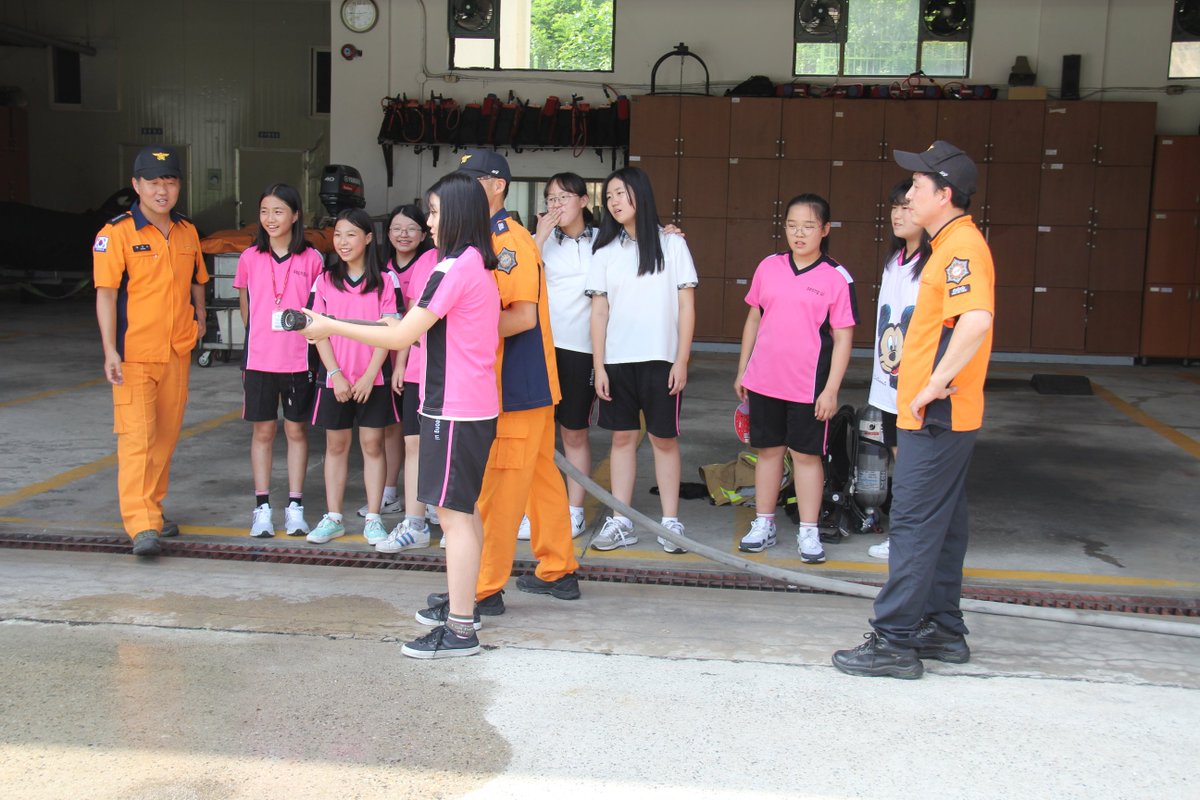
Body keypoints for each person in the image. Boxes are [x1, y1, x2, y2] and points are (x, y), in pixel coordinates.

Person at [297, 171, 501, 658]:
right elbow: (414, 327)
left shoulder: (452, 268)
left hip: (453, 407)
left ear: (455, 214)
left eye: (433, 212)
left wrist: (328, 323)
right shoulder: (473, 264)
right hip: (467, 404)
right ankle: (461, 606)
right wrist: (392, 324)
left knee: (452, 518)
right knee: (462, 514)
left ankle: (460, 628)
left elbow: (398, 338)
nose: (427, 223)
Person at [832, 140, 995, 680]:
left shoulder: (961, 246)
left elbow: (975, 320)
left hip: (939, 412)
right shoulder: (948, 243)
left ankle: (894, 639)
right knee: (944, 524)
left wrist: (930, 387)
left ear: (944, 195)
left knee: (914, 522)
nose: (910, 193)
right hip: (943, 411)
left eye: (918, 186)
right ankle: (943, 628)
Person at [428, 149, 581, 615]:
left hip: (514, 384)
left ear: (497, 185)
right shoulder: (485, 239)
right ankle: (558, 568)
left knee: (496, 492)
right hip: (525, 384)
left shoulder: (506, 241)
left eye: (473, 181)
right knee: (540, 481)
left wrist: (462, 324)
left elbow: (521, 316)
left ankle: (481, 589)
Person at [93, 146, 208, 557]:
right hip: (134, 354)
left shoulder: (187, 231)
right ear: (137, 185)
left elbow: (198, 278)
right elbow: (106, 297)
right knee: (136, 440)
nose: (163, 190)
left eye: (170, 181)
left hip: (176, 351)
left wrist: (201, 317)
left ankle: (152, 513)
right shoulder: (116, 233)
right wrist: (109, 350)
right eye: (154, 182)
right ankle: (141, 524)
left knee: (165, 438)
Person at [733, 193, 857, 564]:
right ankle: (764, 522)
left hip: (809, 385)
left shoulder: (836, 277)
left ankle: (808, 530)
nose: (798, 234)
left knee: (806, 456)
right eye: (792, 225)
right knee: (768, 452)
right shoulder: (768, 266)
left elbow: (844, 337)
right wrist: (744, 368)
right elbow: (754, 318)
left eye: (807, 226)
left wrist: (831, 389)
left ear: (825, 230)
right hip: (765, 380)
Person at [585, 166, 697, 554]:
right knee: (621, 439)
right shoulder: (604, 251)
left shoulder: (673, 245)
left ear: (640, 195)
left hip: (661, 359)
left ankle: (670, 522)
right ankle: (620, 520)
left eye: (621, 194)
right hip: (617, 362)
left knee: (663, 439)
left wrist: (681, 359)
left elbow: (686, 306)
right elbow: (599, 312)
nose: (613, 202)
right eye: (609, 197)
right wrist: (599, 366)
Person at [233, 183, 324, 539]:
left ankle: (296, 507)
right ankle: (262, 509)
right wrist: (258, 334)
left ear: (296, 215)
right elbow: (246, 306)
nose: (271, 219)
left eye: (279, 212)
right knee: (263, 431)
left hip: (298, 361)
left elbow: (319, 310)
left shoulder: (312, 259)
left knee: (296, 431)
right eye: (265, 212)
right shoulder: (249, 257)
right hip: (258, 360)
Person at [305, 208, 399, 547]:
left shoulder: (385, 281)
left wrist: (370, 374)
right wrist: (335, 374)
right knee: (336, 445)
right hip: (337, 380)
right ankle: (333, 517)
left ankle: (374, 517)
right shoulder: (325, 280)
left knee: (373, 446)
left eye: (351, 235)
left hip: (371, 379)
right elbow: (316, 331)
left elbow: (390, 329)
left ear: (368, 238)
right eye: (339, 234)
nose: (343, 242)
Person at [529, 172, 599, 542]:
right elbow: (519, 274)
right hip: (540, 348)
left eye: (564, 198)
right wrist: (539, 238)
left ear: (584, 201)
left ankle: (574, 511)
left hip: (583, 350)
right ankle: (533, 508)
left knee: (573, 432)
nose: (556, 205)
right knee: (536, 433)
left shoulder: (606, 242)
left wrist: (668, 233)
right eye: (551, 199)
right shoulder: (536, 242)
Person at [866, 180, 931, 560]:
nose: (898, 214)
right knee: (899, 461)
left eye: (907, 206)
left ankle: (911, 540)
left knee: (915, 466)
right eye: (894, 206)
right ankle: (905, 536)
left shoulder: (933, 263)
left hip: (917, 384)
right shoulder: (895, 261)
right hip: (889, 384)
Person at [358, 204, 434, 523]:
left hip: (414, 357)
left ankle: (427, 498)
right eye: (396, 229)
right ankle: (389, 492)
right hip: (381, 356)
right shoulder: (380, 267)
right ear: (386, 234)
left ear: (423, 233)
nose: (403, 235)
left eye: (411, 229)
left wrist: (403, 360)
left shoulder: (431, 263)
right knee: (391, 427)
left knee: (418, 430)